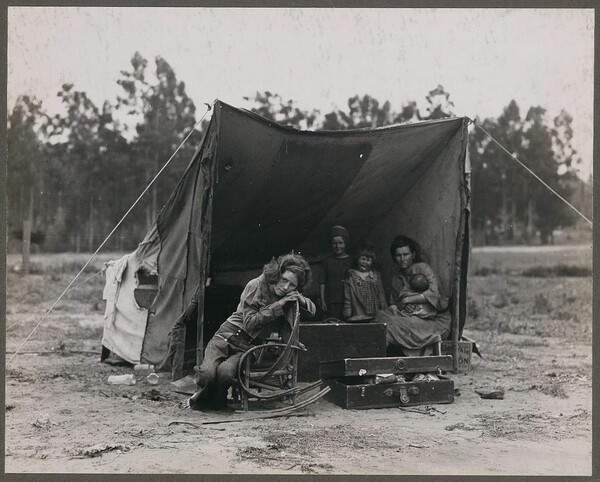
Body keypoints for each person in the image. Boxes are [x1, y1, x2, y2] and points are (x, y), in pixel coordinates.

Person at [188, 253, 316, 410]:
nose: (285, 287)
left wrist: (300, 298)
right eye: (284, 280)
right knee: (207, 374)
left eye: (292, 285)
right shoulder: (256, 285)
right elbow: (250, 323)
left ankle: (218, 400)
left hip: (250, 346)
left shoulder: (289, 296)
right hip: (226, 335)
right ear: (277, 274)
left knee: (225, 373)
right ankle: (206, 399)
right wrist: (279, 305)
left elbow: (311, 311)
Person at [375, 235, 451, 354]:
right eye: (398, 255)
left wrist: (408, 300)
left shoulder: (422, 269)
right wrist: (403, 306)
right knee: (380, 316)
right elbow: (395, 304)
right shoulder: (396, 278)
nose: (402, 259)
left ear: (413, 255)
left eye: (406, 254)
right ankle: (375, 357)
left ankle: (379, 357)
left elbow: (434, 294)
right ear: (394, 257)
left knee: (388, 326)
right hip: (410, 316)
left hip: (434, 320)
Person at [342, 243, 387, 322]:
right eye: (362, 259)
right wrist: (347, 310)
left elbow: (381, 294)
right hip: (359, 313)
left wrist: (384, 309)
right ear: (357, 259)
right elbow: (347, 295)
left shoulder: (375, 275)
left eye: (368, 260)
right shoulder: (352, 276)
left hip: (374, 313)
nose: (365, 262)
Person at [319, 225, 352, 320]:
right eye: (334, 243)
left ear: (345, 243)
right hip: (331, 301)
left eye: (341, 243)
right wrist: (322, 301)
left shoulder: (351, 260)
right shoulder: (327, 261)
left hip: (348, 300)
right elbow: (322, 282)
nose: (338, 246)